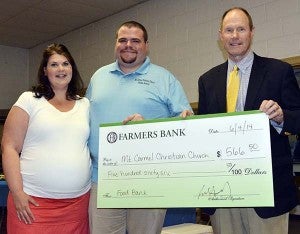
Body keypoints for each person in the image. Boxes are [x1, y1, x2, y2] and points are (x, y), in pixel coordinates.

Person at [197, 7, 300, 234]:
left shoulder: (279, 71)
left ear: (251, 32)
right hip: (222, 192)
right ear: (220, 35)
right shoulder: (207, 81)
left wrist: (282, 116)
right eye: (229, 30)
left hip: (268, 192)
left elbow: (298, 116)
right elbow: (203, 133)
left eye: (241, 29)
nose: (235, 36)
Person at [86, 21, 193, 234]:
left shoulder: (165, 79)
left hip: (149, 178)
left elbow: (185, 124)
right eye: (123, 40)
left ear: (146, 45)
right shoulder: (98, 77)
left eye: (135, 40)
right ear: (115, 43)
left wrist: (148, 128)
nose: (128, 45)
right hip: (103, 177)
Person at [1, 43, 91, 234]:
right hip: (33, 203)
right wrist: (17, 192)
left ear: (72, 69)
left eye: (66, 63)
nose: (61, 69)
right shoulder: (29, 100)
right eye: (54, 64)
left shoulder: (85, 104)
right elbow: (9, 147)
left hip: (77, 205)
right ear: (45, 70)